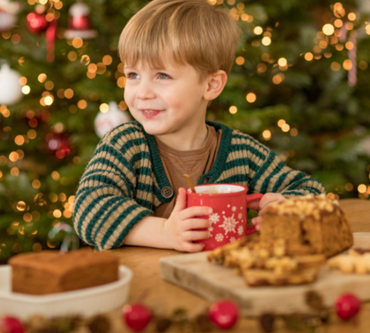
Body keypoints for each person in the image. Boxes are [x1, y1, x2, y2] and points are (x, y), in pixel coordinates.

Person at [73, 0, 325, 252]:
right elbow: (88, 209)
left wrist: (284, 204)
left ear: (211, 85)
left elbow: (312, 192)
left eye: (162, 76)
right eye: (133, 75)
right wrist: (164, 233)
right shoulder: (124, 144)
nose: (142, 92)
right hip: (142, 286)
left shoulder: (242, 152)